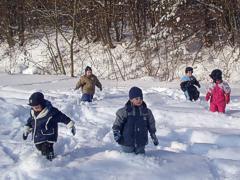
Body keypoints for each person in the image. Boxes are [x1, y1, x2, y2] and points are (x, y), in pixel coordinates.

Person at [23, 92, 76, 161]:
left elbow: (62, 117)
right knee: (39, 147)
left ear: (42, 104)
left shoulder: (51, 112)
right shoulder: (33, 112)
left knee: (46, 148)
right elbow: (31, 121)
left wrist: (70, 125)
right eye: (33, 107)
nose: (35, 109)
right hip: (38, 136)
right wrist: (27, 129)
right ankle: (45, 158)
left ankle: (50, 160)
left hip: (49, 135)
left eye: (37, 107)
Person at [112, 87, 159, 154]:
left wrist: (153, 135)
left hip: (141, 142)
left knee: (140, 159)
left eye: (141, 98)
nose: (139, 100)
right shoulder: (124, 111)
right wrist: (116, 132)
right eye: (136, 99)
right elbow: (117, 123)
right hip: (127, 142)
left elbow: (151, 124)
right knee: (128, 159)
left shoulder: (147, 112)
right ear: (131, 99)